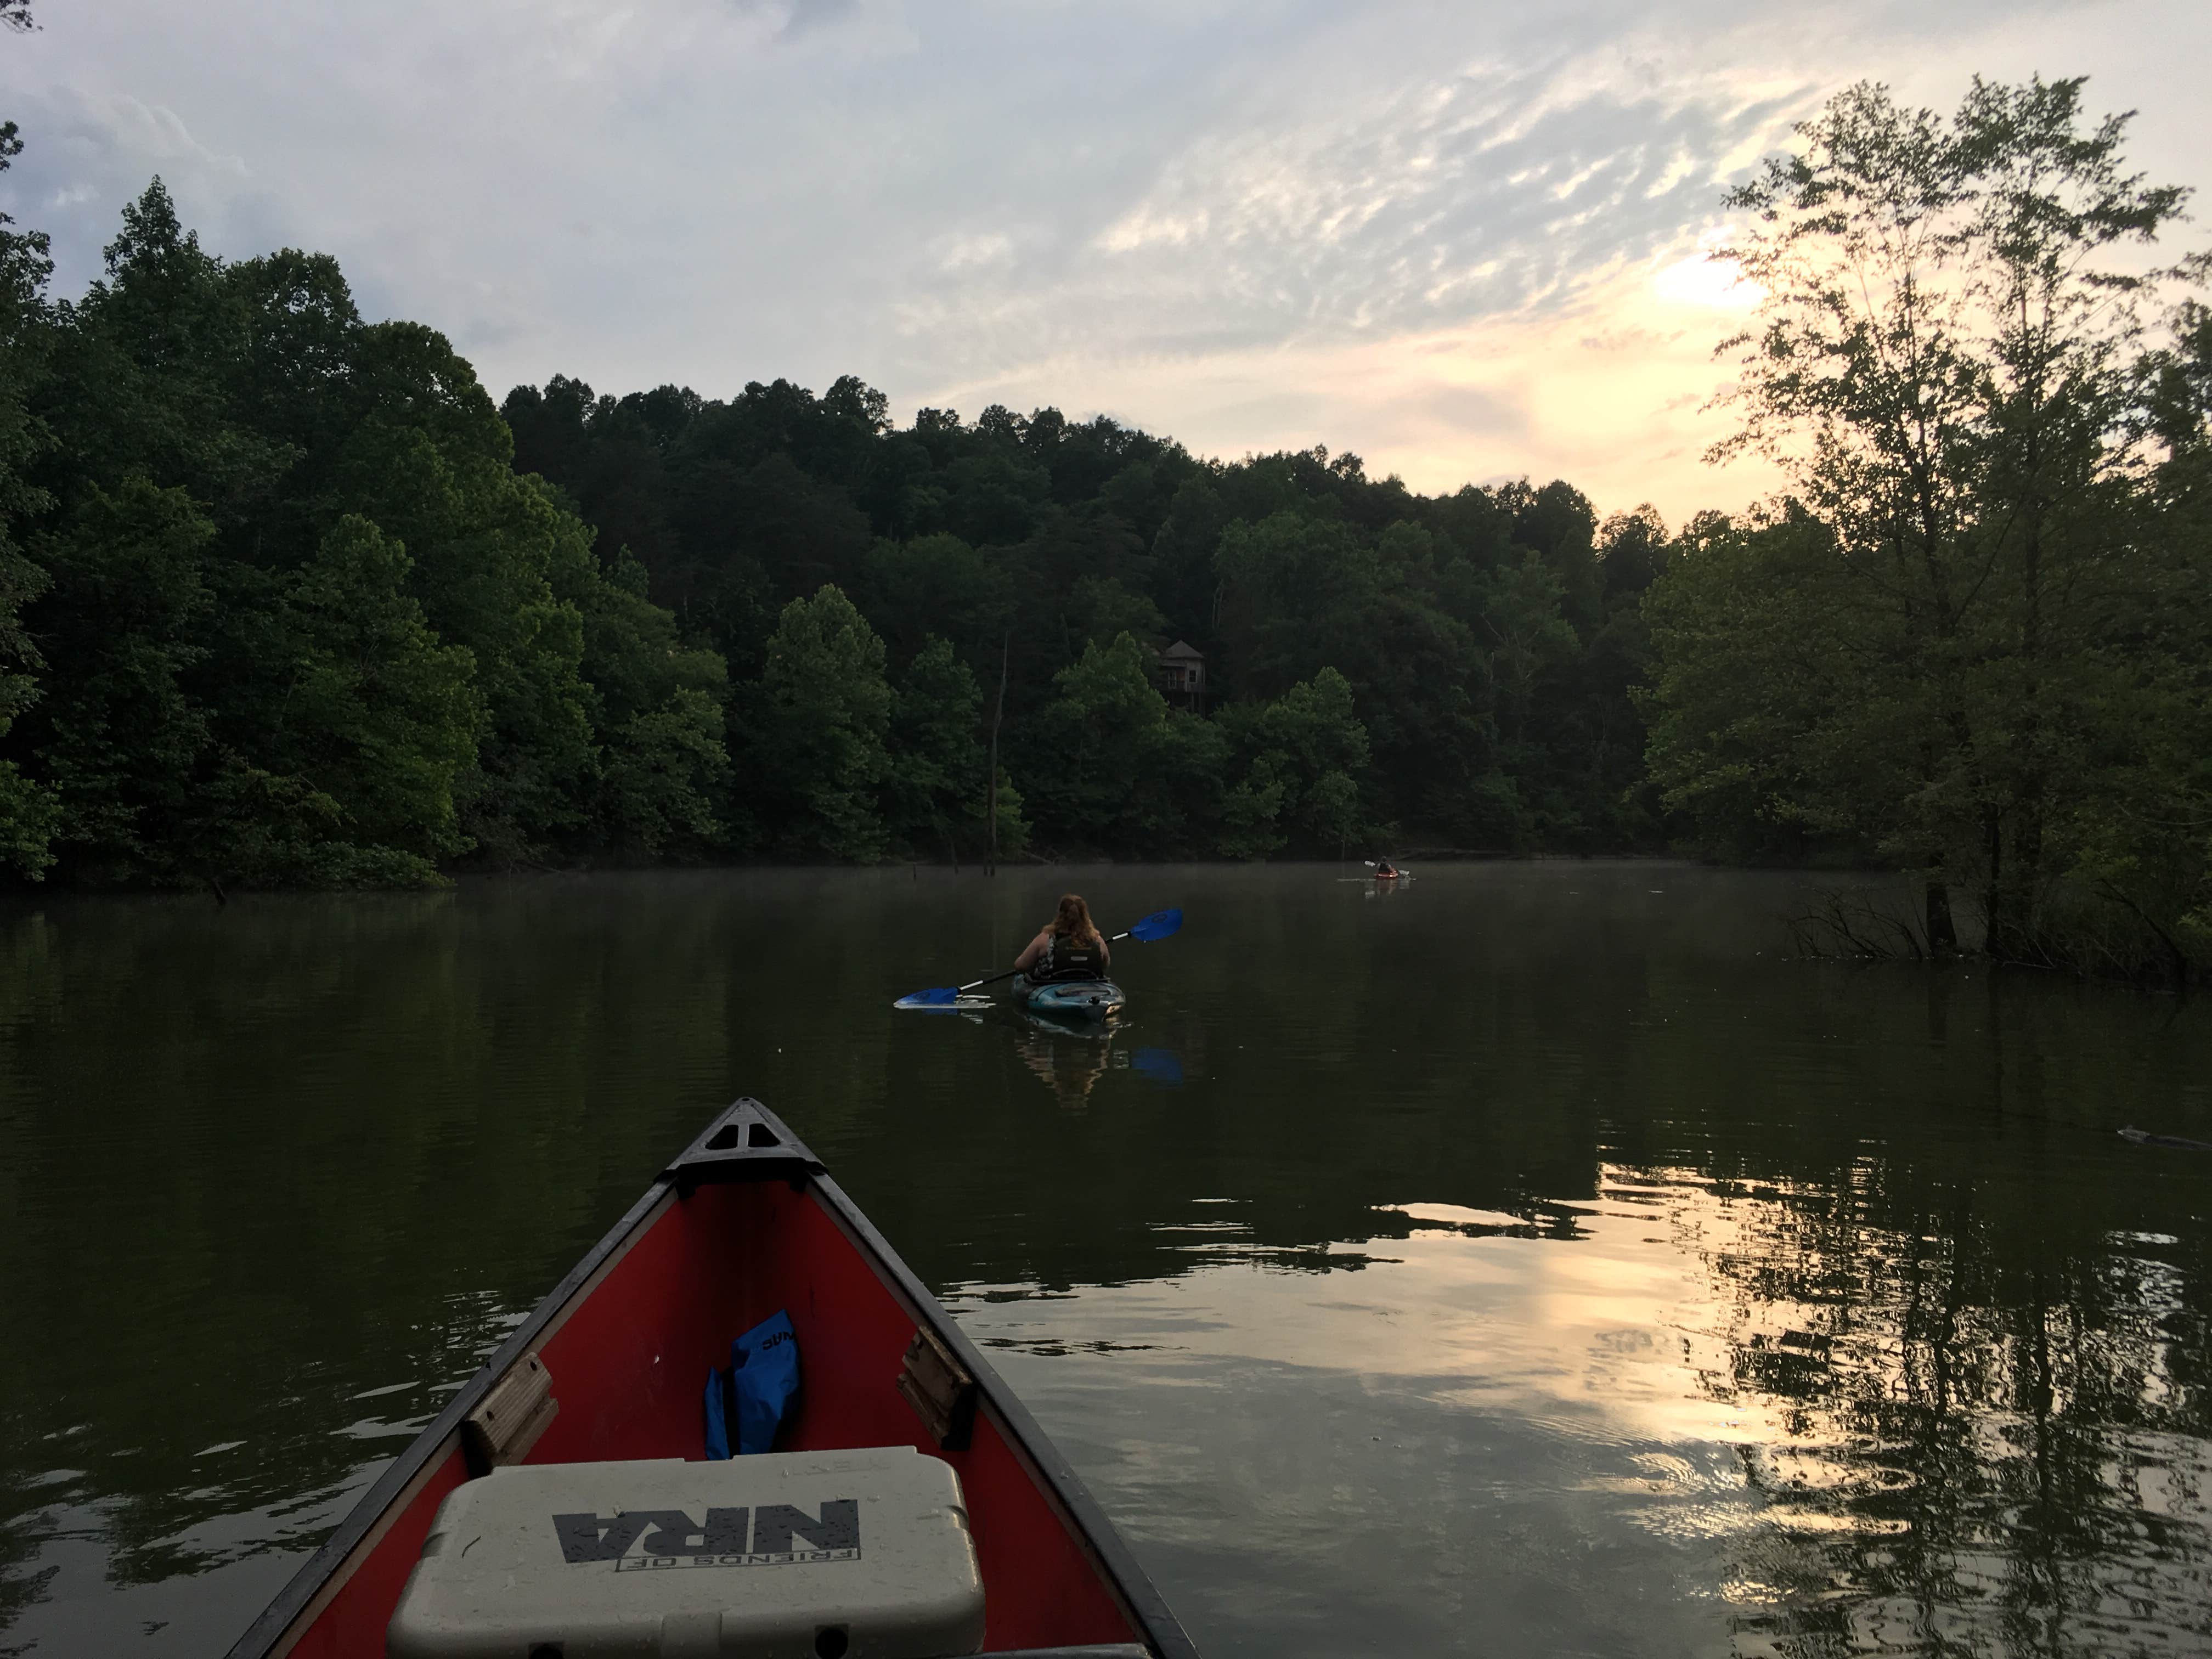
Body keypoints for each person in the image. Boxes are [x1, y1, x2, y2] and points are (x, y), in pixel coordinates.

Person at [1017, 894, 1111, 984]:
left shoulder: (1045, 939)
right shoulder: (1097, 940)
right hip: (1089, 986)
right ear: (1085, 916)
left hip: (1051, 985)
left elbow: (1020, 966)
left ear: (1060, 914)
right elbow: (1105, 965)